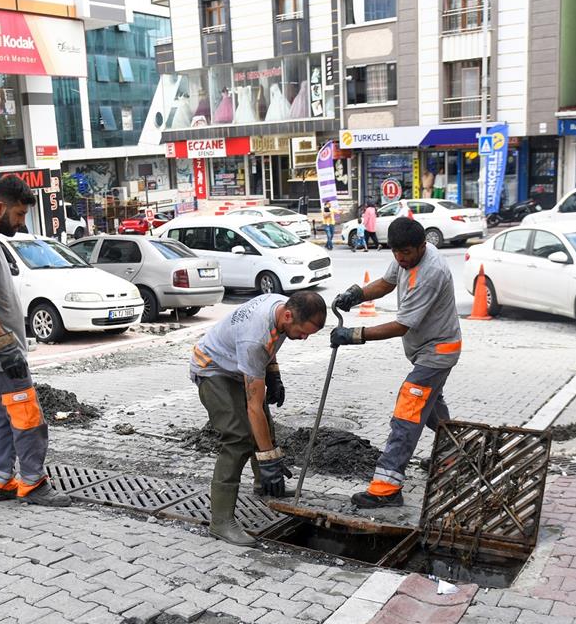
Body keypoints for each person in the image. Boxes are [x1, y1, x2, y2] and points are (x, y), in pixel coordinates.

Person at [331, 217, 461, 508]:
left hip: (437, 353)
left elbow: (402, 325)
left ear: (422, 246)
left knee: (407, 414)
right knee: (430, 412)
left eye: (406, 253)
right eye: (396, 252)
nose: (401, 258)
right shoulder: (404, 260)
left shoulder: (431, 272)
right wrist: (357, 294)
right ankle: (455, 454)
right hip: (425, 351)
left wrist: (354, 334)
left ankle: (387, 488)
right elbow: (387, 283)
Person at [0, 177, 71, 507]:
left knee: (2, 416)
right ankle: (33, 484)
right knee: (27, 416)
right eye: (19, 215)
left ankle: (0, 481)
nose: (22, 223)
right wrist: (5, 346)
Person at [191, 290, 327, 543]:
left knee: (266, 429)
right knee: (238, 438)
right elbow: (253, 405)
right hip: (213, 369)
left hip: (238, 364)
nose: (305, 338)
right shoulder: (254, 339)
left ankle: (264, 485)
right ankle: (221, 522)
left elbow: (271, 342)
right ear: (288, 315)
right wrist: (269, 462)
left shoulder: (280, 307)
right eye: (304, 332)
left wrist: (274, 373)